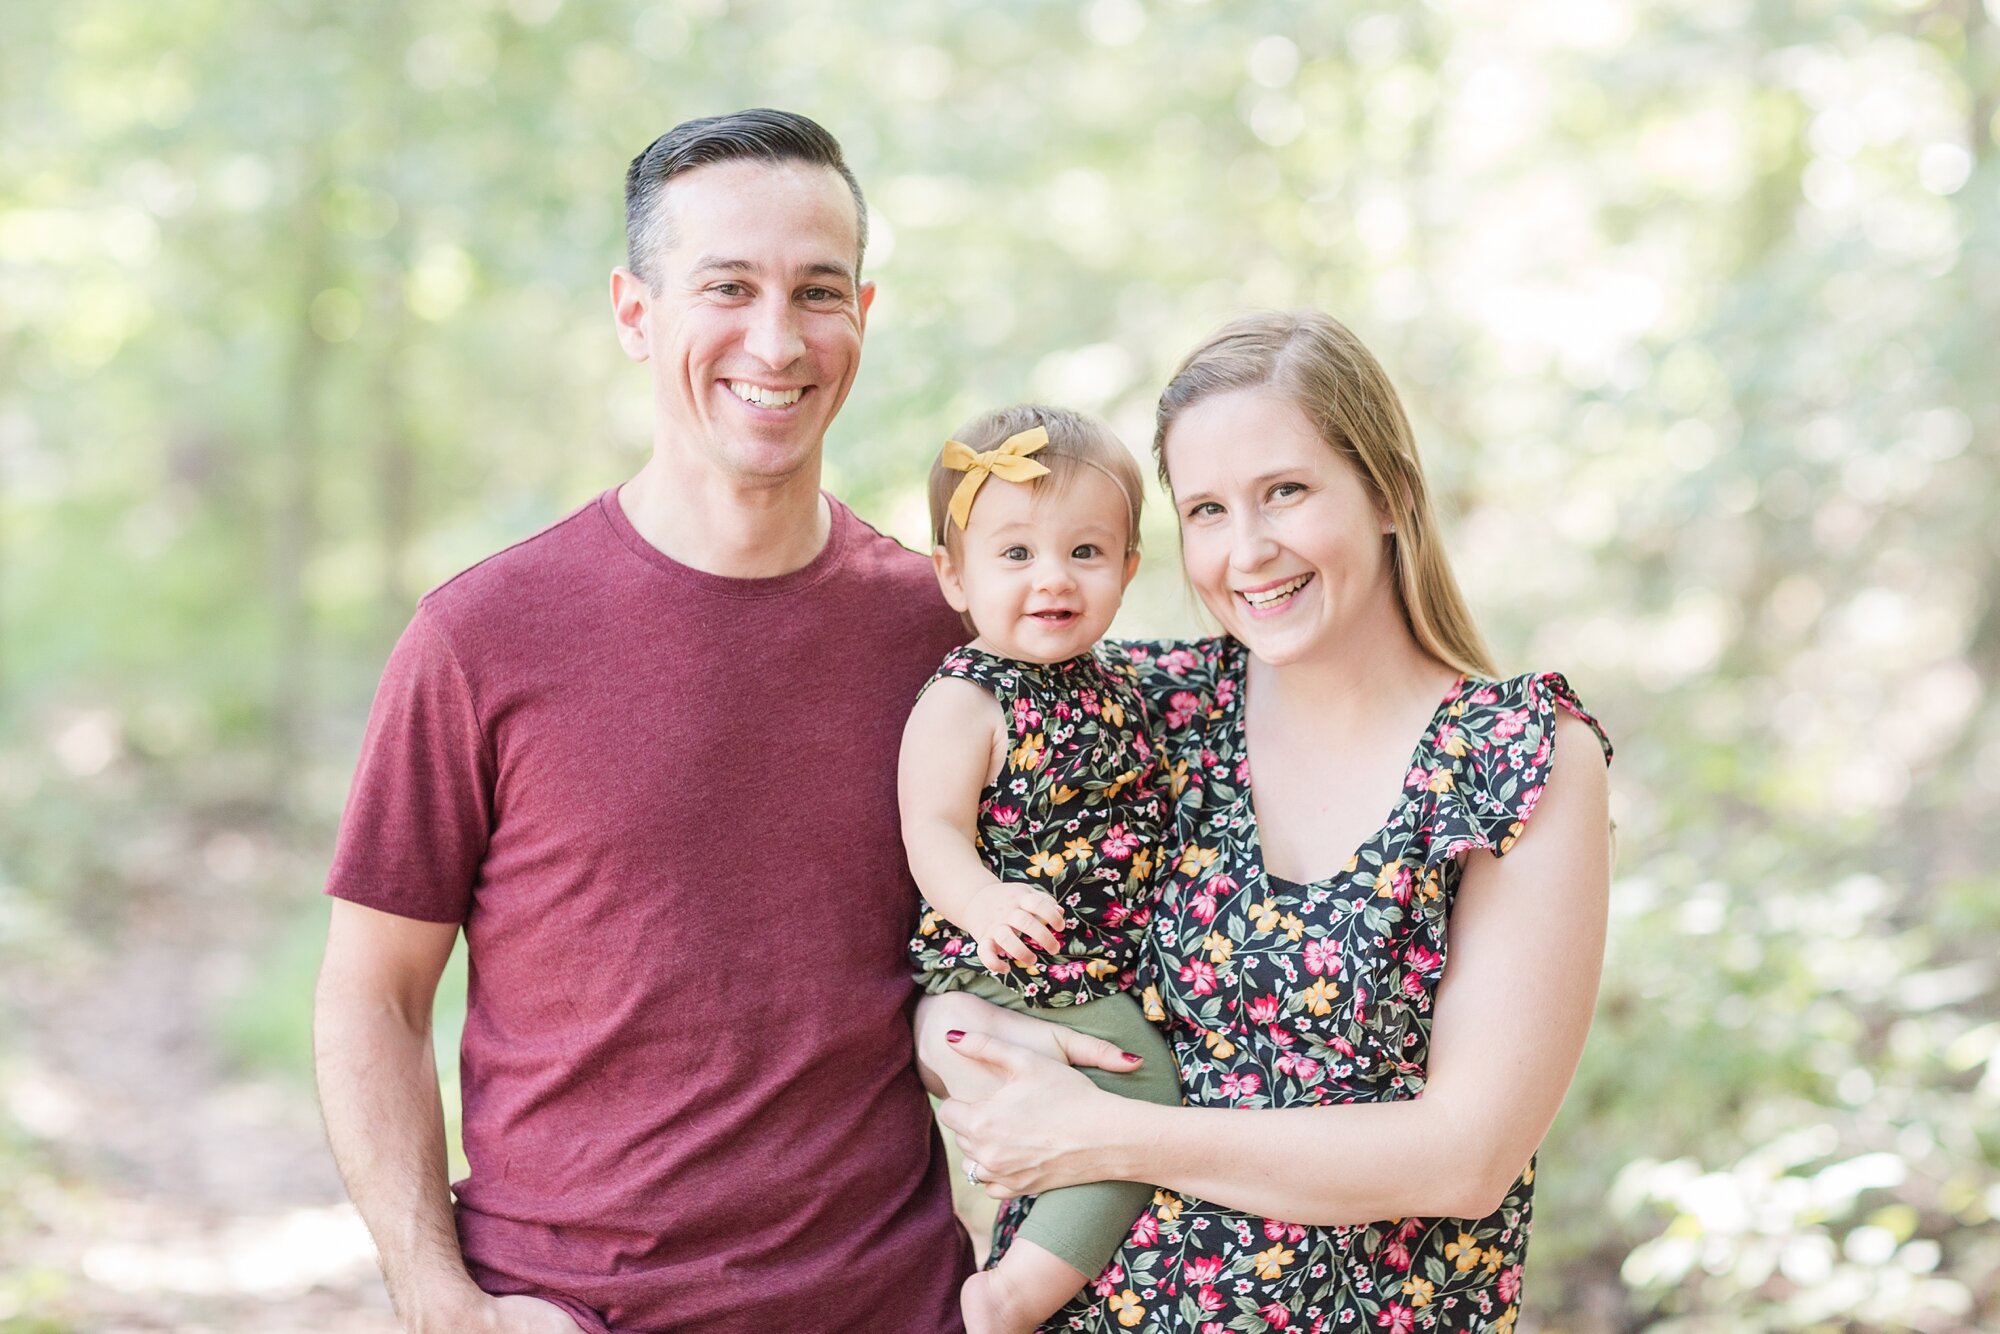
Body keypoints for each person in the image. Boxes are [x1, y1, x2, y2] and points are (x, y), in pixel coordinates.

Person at [313, 109, 1005, 1334]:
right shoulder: (481, 636)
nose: (777, 339)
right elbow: (371, 994)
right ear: (635, 312)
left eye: (818, 290)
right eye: (726, 287)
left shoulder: (945, 636)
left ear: (865, 313)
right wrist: (441, 1301)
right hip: (572, 1312)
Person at [916, 310, 1614, 1332]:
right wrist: (950, 1025)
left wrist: (1107, 1134)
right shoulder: (1134, 711)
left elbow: (1465, 1155)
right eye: (1205, 509)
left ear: (1386, 492)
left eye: (1283, 491)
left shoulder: (1519, 754)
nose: (1246, 551)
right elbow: (939, 929)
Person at [900, 405, 1183, 1333]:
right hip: (1012, 958)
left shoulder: (1117, 684)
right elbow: (931, 827)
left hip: (1088, 958)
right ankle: (1015, 1295)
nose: (1053, 579)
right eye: (1015, 554)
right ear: (953, 573)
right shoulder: (966, 698)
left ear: (1130, 567)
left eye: (1087, 553)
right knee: (1142, 1089)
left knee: (1112, 1095)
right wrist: (981, 900)